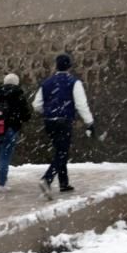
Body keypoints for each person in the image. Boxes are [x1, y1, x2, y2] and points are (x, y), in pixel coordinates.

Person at [33, 53, 95, 198]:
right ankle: (47, 179)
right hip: (64, 120)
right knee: (62, 152)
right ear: (69, 66)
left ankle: (64, 183)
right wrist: (89, 122)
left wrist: (49, 111)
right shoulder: (74, 82)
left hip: (49, 121)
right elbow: (81, 104)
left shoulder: (47, 83)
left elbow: (36, 105)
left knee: (59, 151)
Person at [0, 73, 32, 191]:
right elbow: (26, 114)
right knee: (5, 156)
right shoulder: (18, 94)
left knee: (1, 154)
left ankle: (3, 179)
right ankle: (2, 183)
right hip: (10, 129)